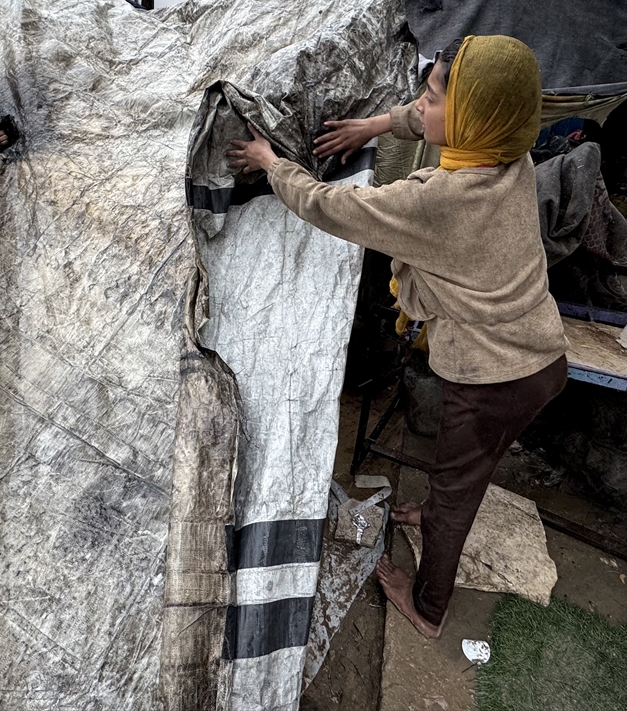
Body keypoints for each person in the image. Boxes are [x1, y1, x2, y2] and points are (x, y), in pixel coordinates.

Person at [226, 35, 568, 638]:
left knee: (458, 489)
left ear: (468, 118)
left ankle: (429, 607)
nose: (421, 105)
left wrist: (271, 162)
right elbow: (422, 117)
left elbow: (334, 208)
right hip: (539, 356)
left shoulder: (438, 200)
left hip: (497, 376)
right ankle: (433, 511)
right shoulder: (510, 156)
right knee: (462, 472)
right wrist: (372, 126)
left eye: (435, 98)